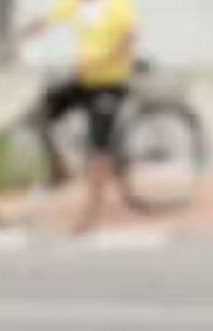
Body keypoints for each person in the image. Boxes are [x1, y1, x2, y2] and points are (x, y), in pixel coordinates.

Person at [14, 0, 139, 232]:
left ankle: (92, 210)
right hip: (83, 80)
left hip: (110, 83)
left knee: (96, 145)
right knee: (39, 116)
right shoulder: (74, 5)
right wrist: (23, 36)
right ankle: (60, 169)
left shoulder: (118, 6)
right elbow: (45, 21)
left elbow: (127, 40)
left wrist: (101, 61)